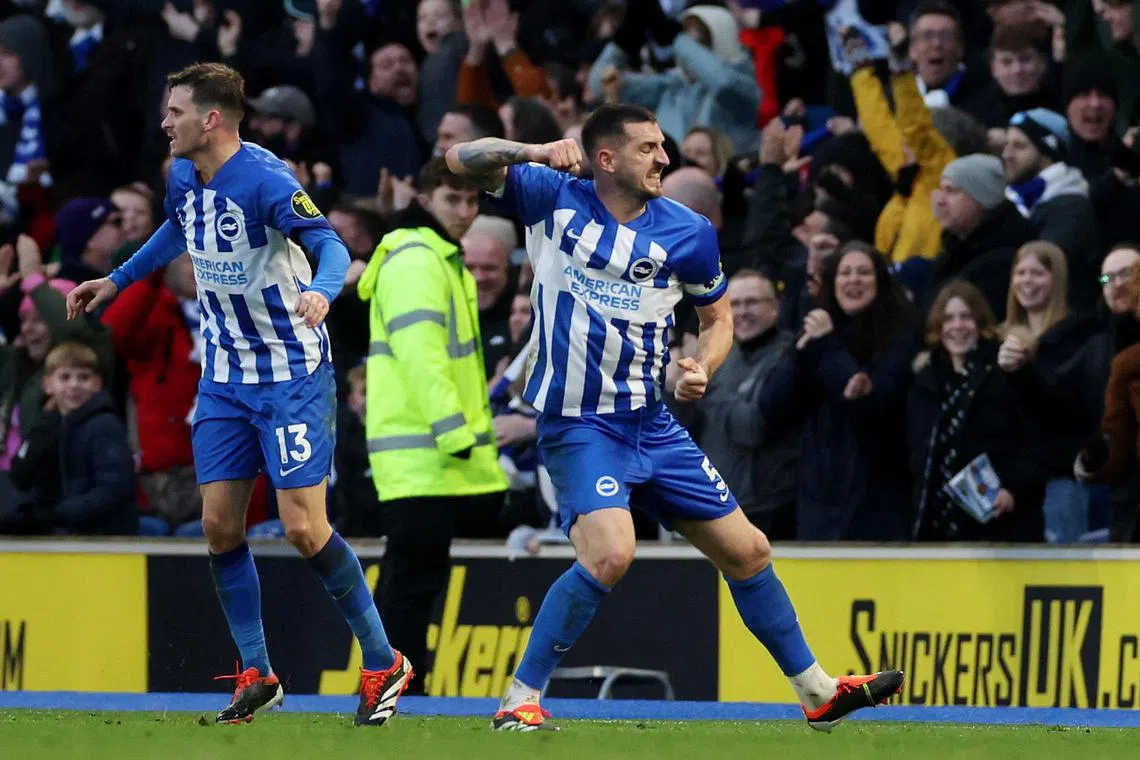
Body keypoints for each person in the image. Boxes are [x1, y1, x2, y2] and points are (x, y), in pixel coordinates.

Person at [446, 102, 903, 733]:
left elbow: (718, 320)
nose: (664, 158)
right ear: (606, 158)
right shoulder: (551, 194)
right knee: (611, 553)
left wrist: (703, 367)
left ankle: (818, 693)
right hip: (580, 424)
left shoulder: (689, 231)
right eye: (648, 148)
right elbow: (459, 159)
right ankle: (519, 699)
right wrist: (531, 150)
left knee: (749, 551)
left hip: (652, 425)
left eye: (663, 146)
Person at [65, 63, 410, 727]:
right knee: (220, 525)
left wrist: (322, 291)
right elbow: (178, 228)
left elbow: (330, 245)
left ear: (212, 118)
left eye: (175, 112)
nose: (164, 123)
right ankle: (257, 671)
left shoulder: (267, 180)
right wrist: (117, 280)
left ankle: (383, 661)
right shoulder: (183, 175)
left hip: (289, 374)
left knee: (305, 527)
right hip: (224, 377)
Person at [356, 156, 508, 694]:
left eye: (472, 200)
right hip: (426, 453)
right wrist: (455, 433)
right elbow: (422, 356)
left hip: (423, 456)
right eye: (452, 199)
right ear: (424, 200)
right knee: (410, 583)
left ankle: (389, 690)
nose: (466, 211)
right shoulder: (420, 260)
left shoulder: (433, 257)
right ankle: (393, 692)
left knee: (411, 580)